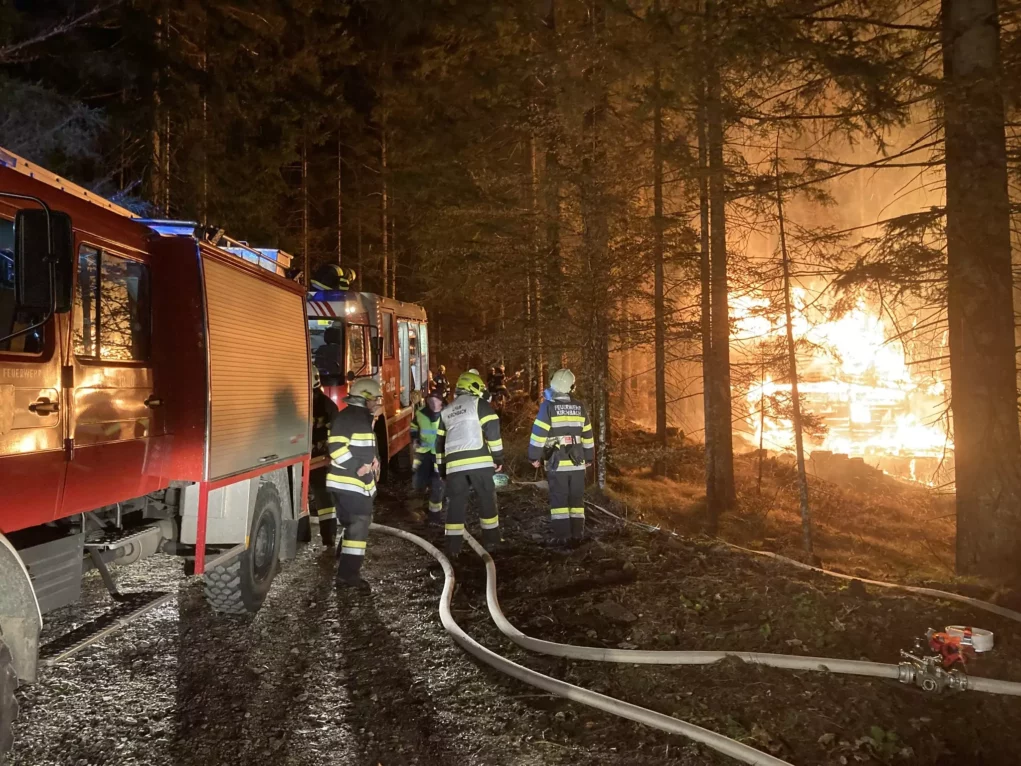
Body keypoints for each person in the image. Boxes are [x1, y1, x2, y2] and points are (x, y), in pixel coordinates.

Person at [435, 371, 504, 555]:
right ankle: (493, 543)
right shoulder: (479, 404)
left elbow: (439, 444)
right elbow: (493, 428)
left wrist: (442, 469)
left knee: (455, 504)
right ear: (474, 387)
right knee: (486, 500)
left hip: (454, 468)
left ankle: (452, 548)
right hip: (480, 463)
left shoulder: (446, 410)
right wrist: (498, 458)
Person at [327, 377, 383, 588]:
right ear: (365, 398)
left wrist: (373, 459)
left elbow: (362, 446)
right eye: (375, 398)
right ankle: (348, 575)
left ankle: (343, 559)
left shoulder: (359, 417)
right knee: (359, 525)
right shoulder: (351, 418)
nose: (378, 402)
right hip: (349, 483)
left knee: (353, 523)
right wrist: (356, 466)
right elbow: (336, 448)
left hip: (351, 485)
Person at [528, 368, 594, 544]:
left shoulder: (548, 407)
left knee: (559, 500)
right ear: (571, 387)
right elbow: (588, 434)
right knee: (576, 499)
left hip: (557, 464)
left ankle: (563, 538)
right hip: (578, 463)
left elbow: (538, 434)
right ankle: (577, 535)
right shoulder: (580, 407)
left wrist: (534, 457)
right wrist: (589, 458)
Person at [310, 367, 339, 547]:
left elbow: (336, 435)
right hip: (307, 459)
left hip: (320, 460)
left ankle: (329, 538)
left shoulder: (326, 406)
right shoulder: (325, 404)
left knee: (324, 499)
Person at [411, 392, 445, 523]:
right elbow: (414, 426)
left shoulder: (446, 414)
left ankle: (434, 517)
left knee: (438, 485)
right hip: (423, 454)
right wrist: (414, 438)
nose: (433, 405)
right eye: (431, 401)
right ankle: (417, 513)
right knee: (419, 483)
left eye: (436, 402)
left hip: (438, 455)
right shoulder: (420, 413)